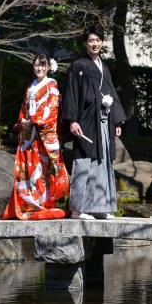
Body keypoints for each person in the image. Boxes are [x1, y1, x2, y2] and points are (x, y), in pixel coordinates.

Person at [61, 25, 126, 219]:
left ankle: (98, 206)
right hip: (86, 120)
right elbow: (71, 93)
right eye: (91, 40)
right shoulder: (78, 66)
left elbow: (112, 93)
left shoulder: (104, 67)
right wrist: (72, 120)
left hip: (104, 121)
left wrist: (116, 122)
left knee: (102, 160)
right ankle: (78, 209)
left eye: (98, 40)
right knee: (84, 161)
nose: (95, 43)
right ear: (85, 43)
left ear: (103, 42)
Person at [0, 53, 70, 220]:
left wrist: (32, 121)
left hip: (42, 136)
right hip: (28, 136)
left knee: (42, 170)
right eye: (37, 65)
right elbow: (24, 107)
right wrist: (23, 121)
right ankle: (27, 203)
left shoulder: (52, 86)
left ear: (48, 68)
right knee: (28, 169)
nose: (39, 68)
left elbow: (52, 111)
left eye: (43, 65)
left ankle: (43, 204)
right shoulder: (31, 86)